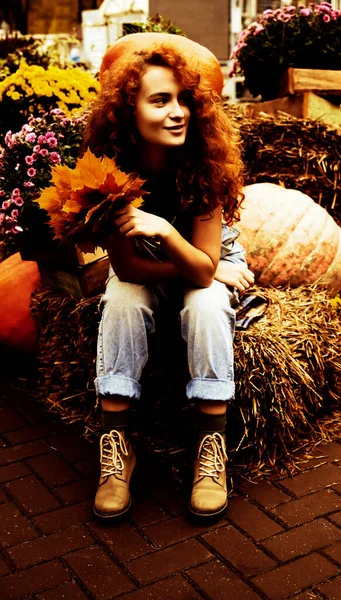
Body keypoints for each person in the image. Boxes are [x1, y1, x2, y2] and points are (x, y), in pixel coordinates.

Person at [83, 44, 254, 520]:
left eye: (183, 99)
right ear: (127, 110)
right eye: (159, 101)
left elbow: (202, 273)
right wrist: (202, 264)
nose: (177, 112)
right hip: (154, 266)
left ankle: (210, 446)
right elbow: (130, 269)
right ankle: (116, 445)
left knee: (205, 304)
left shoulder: (205, 164)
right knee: (121, 298)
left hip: (199, 260)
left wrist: (172, 235)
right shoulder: (107, 172)